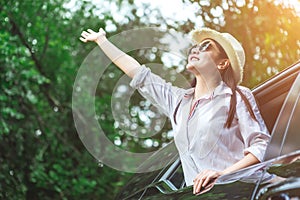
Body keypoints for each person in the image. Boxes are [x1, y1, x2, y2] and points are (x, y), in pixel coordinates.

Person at [79, 27, 270, 195]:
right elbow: (137, 72)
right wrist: (102, 41)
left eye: (206, 46)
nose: (196, 49)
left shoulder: (236, 96)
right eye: (195, 46)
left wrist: (221, 174)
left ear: (222, 64)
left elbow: (261, 145)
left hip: (245, 191)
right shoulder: (179, 102)